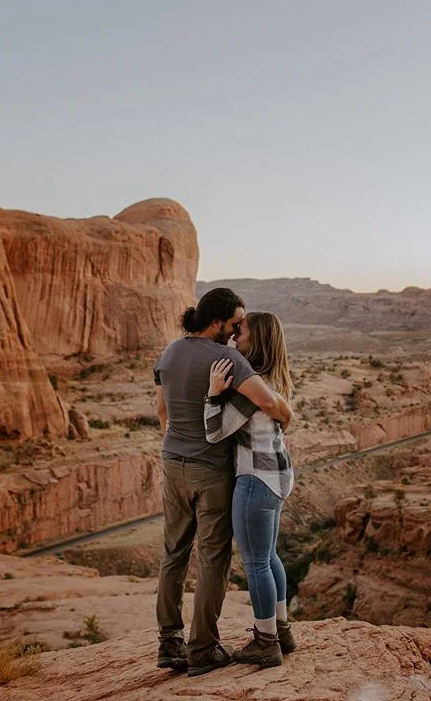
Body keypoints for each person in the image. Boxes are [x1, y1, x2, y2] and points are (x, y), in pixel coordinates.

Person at [153, 289, 293, 677]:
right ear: (216, 321)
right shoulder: (226, 357)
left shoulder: (169, 353)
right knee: (213, 560)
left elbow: (162, 411)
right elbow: (268, 402)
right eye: (233, 324)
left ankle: (169, 642)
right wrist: (286, 415)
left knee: (174, 553)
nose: (234, 334)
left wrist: (176, 443)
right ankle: (202, 648)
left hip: (172, 466)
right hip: (212, 471)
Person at [203, 310, 296, 668]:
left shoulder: (251, 386)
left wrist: (213, 394)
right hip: (279, 475)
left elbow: (215, 432)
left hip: (256, 478)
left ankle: (265, 642)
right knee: (269, 556)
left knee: (256, 562)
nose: (234, 338)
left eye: (240, 332)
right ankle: (282, 630)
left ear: (255, 338)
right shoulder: (276, 376)